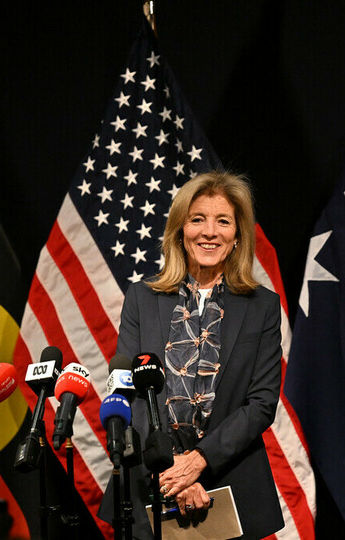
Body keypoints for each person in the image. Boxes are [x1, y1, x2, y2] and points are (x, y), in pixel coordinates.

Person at [98, 171, 285, 539]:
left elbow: (261, 403)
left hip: (228, 480)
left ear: (237, 235)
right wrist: (171, 473)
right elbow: (128, 392)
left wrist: (199, 461)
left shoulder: (262, 306)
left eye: (223, 221)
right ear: (180, 230)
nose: (209, 232)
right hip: (152, 481)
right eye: (197, 219)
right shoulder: (141, 298)